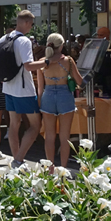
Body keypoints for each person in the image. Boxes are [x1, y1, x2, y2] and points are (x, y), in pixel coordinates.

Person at [0, 10, 48, 168]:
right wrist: (47, 62)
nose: (31, 27)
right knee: (35, 126)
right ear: (27, 23)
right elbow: (28, 66)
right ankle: (19, 159)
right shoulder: (24, 41)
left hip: (8, 88)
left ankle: (17, 160)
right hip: (24, 89)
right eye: (31, 24)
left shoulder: (5, 37)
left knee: (14, 125)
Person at [37, 33, 83, 169]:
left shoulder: (42, 62)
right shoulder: (68, 61)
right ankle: (63, 168)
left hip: (48, 96)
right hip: (65, 97)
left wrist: (40, 103)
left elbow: (40, 88)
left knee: (49, 136)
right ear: (61, 45)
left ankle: (50, 168)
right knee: (65, 137)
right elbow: (80, 81)